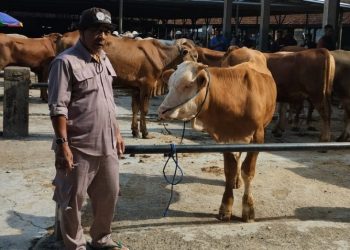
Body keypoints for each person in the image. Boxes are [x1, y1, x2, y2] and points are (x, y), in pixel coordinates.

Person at [48, 7, 128, 250]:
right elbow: (58, 107)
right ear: (82, 32)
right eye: (95, 30)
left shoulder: (103, 59)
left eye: (105, 31)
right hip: (78, 145)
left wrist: (116, 131)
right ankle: (75, 245)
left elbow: (108, 101)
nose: (101, 36)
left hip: (107, 144)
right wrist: (63, 146)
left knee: (109, 195)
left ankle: (102, 239)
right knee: (72, 199)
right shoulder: (65, 62)